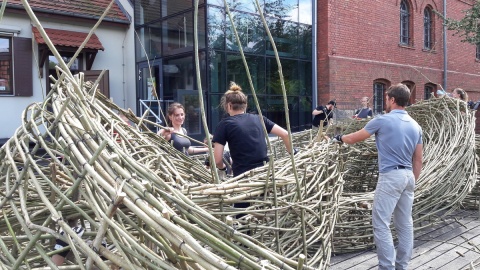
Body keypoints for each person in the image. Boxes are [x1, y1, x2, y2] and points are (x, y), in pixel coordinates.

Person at [333, 83, 423, 270]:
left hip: (391, 176)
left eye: (387, 98)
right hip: (408, 176)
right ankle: (402, 266)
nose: (386, 102)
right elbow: (418, 160)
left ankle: (386, 267)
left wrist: (338, 138)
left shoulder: (383, 120)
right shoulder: (416, 126)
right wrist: (413, 180)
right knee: (405, 224)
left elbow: (353, 138)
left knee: (381, 223)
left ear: (392, 99)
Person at [212, 82, 292, 177]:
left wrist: (222, 168)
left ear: (229, 105)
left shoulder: (224, 124)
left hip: (243, 175)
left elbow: (217, 160)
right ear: (245, 105)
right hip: (265, 172)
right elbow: (285, 134)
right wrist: (292, 153)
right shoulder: (260, 118)